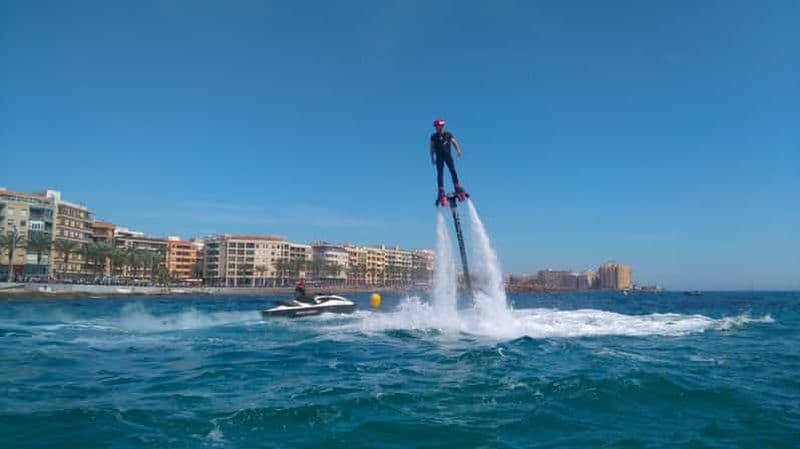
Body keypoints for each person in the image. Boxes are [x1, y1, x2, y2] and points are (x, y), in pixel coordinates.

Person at [430, 118, 467, 206]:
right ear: (436, 127)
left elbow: (454, 142)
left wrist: (458, 150)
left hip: (448, 156)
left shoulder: (448, 134)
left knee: (452, 170)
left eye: (441, 126)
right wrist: (432, 158)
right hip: (439, 157)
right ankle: (441, 190)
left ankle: (457, 186)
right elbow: (431, 148)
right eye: (438, 126)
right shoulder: (433, 137)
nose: (440, 128)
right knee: (440, 173)